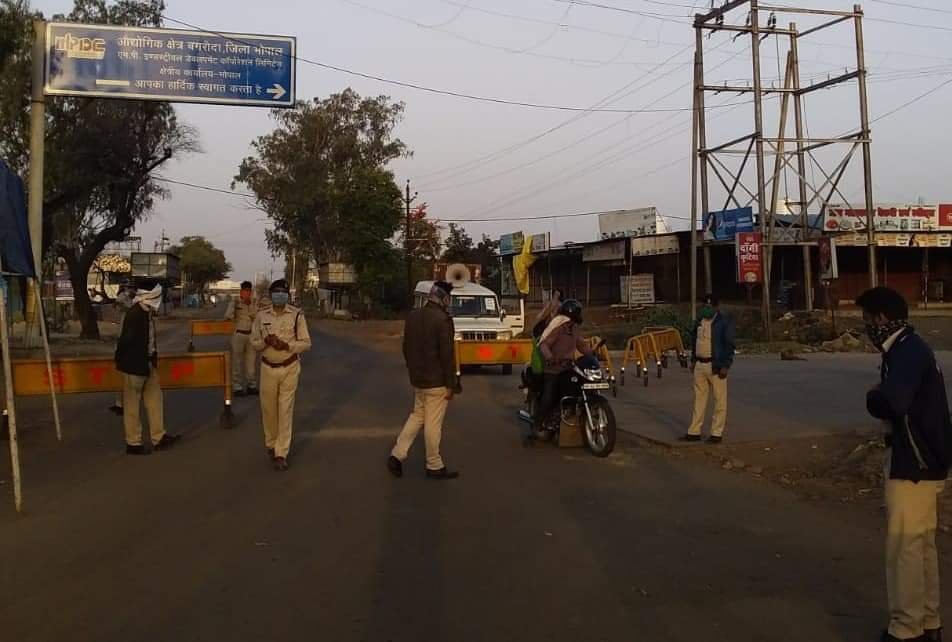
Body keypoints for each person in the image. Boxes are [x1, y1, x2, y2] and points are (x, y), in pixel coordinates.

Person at [857, 287, 951, 642]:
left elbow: (892, 402)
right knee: (921, 545)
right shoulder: (911, 347)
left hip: (913, 461)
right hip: (927, 460)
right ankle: (928, 622)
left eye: (867, 319)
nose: (867, 327)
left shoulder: (906, 351)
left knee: (904, 548)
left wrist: (872, 397)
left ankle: (906, 627)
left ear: (881, 318)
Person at [387, 281, 459, 480]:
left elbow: (405, 347)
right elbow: (447, 355)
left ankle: (397, 454)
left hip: (418, 379)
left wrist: (413, 369)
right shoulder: (443, 320)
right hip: (437, 382)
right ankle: (434, 465)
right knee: (433, 423)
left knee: (417, 416)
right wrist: (451, 384)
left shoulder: (413, 316)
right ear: (443, 298)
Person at [250, 279, 311, 471]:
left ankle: (281, 452)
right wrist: (266, 342)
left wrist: (287, 346)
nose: (279, 295)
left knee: (285, 410)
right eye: (276, 292)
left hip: (290, 367)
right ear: (271, 294)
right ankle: (271, 443)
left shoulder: (296, 315)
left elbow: (306, 343)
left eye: (282, 292)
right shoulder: (261, 316)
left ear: (287, 296)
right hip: (268, 368)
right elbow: (254, 342)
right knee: (269, 410)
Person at [114, 280, 180, 455]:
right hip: (135, 366)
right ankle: (133, 442)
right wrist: (125, 363)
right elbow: (125, 342)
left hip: (148, 364)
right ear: (149, 296)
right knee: (132, 405)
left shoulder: (147, 314)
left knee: (155, 399)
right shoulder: (135, 314)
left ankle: (159, 436)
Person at [531, 299, 592, 441]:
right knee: (549, 396)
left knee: (576, 391)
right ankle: (538, 425)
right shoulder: (558, 329)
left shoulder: (575, 330)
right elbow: (544, 345)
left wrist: (593, 353)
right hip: (553, 369)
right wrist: (550, 357)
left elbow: (582, 346)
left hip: (569, 369)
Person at [682, 294, 734, 444]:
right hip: (700, 364)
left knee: (719, 400)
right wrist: (693, 360)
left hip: (716, 365)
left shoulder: (723, 322)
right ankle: (694, 431)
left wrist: (725, 365)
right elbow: (694, 341)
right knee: (699, 399)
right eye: (704, 306)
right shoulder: (699, 321)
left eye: (709, 306)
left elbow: (729, 344)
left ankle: (716, 433)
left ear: (716, 307)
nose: (706, 309)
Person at [225, 281, 259, 397]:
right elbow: (228, 316)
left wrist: (249, 305)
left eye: (249, 291)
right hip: (238, 335)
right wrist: (233, 306)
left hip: (251, 335)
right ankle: (237, 386)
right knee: (237, 362)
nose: (247, 293)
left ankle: (251, 385)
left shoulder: (254, 303)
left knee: (251, 363)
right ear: (241, 291)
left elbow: (256, 317)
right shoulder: (235, 302)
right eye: (245, 291)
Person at [109, 284, 136, 416]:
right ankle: (119, 403)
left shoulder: (136, 304)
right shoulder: (125, 308)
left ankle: (126, 403)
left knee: (128, 375)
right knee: (120, 373)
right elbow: (117, 306)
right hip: (123, 341)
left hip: (131, 343)